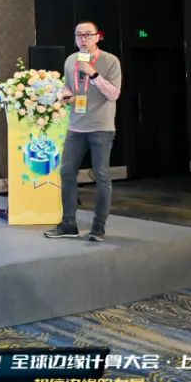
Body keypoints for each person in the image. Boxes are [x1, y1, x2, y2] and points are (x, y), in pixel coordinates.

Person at [44, 21, 122, 242]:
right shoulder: (71, 60)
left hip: (101, 127)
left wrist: (94, 75)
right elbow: (69, 87)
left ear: (98, 37)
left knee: (101, 175)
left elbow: (114, 94)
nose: (83, 39)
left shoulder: (110, 60)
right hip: (75, 126)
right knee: (67, 172)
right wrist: (66, 95)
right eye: (79, 35)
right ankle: (68, 224)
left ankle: (98, 228)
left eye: (88, 34)